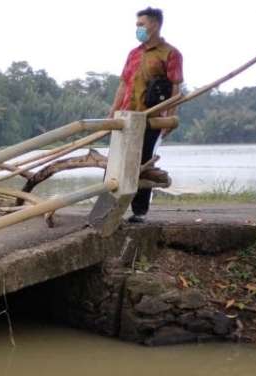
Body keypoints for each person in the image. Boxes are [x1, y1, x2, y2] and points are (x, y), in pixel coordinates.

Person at [110, 6, 184, 224]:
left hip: (150, 119)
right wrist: (113, 109)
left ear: (155, 24)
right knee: (117, 162)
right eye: (137, 25)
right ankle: (112, 208)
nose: (138, 29)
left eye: (141, 25)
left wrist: (170, 117)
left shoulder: (170, 53)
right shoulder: (134, 53)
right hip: (125, 117)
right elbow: (123, 83)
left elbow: (175, 87)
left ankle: (139, 211)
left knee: (142, 164)